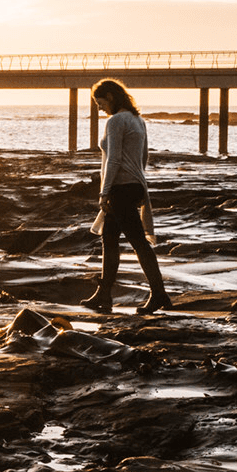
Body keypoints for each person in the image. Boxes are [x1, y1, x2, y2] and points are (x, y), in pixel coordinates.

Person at [81, 78, 170, 315]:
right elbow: (144, 156)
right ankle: (104, 294)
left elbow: (114, 160)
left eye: (99, 102)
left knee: (138, 241)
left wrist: (105, 191)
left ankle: (159, 294)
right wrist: (138, 182)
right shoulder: (138, 120)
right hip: (134, 185)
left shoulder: (116, 120)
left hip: (121, 188)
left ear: (110, 97)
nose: (99, 108)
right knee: (108, 239)